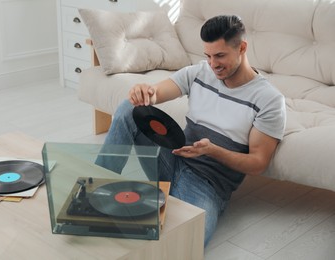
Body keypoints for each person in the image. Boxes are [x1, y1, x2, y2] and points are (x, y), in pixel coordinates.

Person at [95, 15, 286, 246]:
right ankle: (95, 192)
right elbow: (156, 93)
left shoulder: (269, 100)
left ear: (242, 48)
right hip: (172, 158)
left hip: (207, 184)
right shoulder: (199, 73)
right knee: (130, 108)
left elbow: (258, 162)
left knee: (185, 244)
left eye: (220, 56)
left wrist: (213, 151)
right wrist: (144, 91)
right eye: (208, 55)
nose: (213, 64)